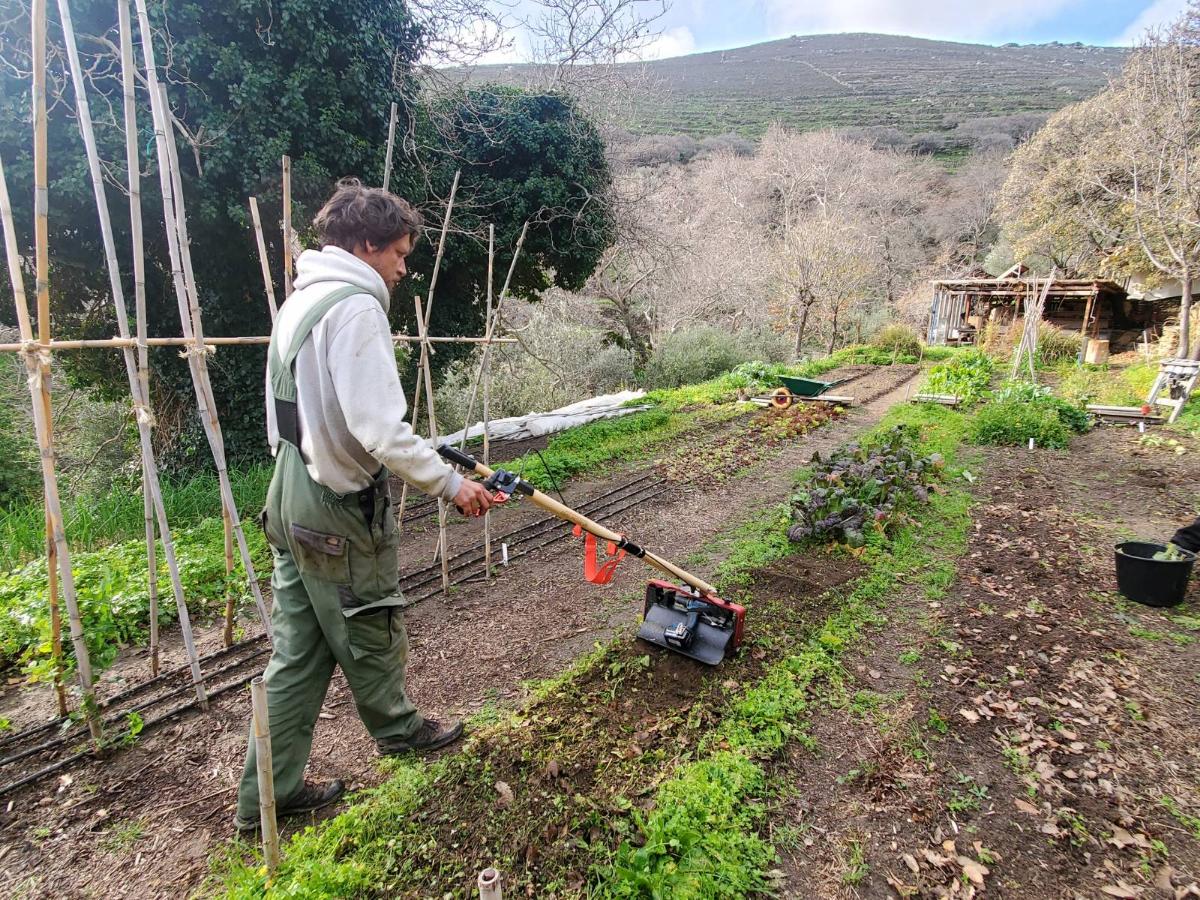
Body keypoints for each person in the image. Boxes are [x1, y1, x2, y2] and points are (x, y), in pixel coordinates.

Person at [233, 179, 492, 832]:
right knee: (371, 624)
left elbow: (292, 408)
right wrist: (452, 485)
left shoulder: (303, 298)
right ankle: (402, 734)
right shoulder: (355, 308)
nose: (404, 269)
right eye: (400, 254)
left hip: (289, 490)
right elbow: (378, 427)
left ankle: (267, 798)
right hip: (337, 506)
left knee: (298, 655)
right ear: (368, 244)